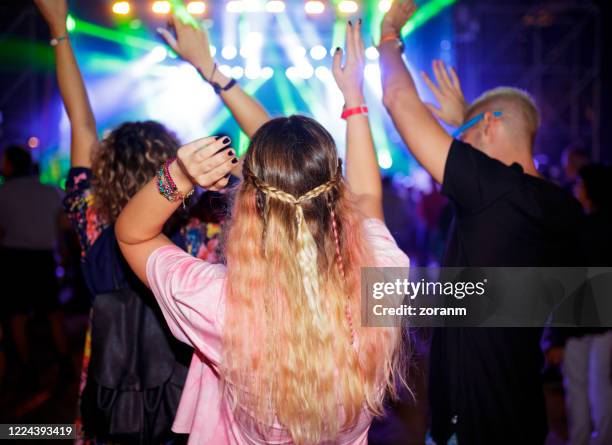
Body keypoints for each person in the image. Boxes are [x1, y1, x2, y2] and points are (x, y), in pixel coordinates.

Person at [115, 21, 409, 444]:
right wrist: (355, 99)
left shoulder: (221, 304)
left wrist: (178, 175)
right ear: (334, 195)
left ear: (249, 203)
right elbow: (365, 194)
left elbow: (133, 235)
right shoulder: (380, 277)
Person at [33, 0, 268, 442]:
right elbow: (274, 152)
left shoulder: (92, 218)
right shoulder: (205, 223)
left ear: (108, 168)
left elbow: (81, 124)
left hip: (110, 393)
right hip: (192, 400)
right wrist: (212, 71)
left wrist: (58, 31)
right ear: (171, 161)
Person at [379, 1, 583, 444]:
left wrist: (389, 32)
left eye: (463, 138)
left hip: (473, 422)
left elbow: (397, 100)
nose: (456, 147)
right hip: (521, 413)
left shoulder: (495, 191)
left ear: (489, 126)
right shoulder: (560, 206)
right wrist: (468, 118)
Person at [544, 164, 612, 445]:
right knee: (601, 385)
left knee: (580, 388)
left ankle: (582, 439)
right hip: (605, 321)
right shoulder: (602, 229)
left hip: (576, 325)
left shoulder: (576, 231)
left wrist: (556, 337)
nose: (576, 189)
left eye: (580, 185)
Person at [0, 144, 72, 386]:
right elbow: (64, 227)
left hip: (14, 259)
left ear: (10, 164)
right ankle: (65, 366)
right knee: (53, 313)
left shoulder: (3, 193)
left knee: (17, 315)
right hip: (44, 259)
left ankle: (27, 368)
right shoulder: (50, 191)